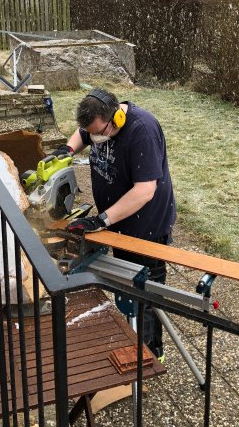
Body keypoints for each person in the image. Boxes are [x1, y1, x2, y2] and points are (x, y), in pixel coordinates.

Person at [54, 88, 176, 361]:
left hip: (146, 227)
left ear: (116, 119)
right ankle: (131, 339)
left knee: (144, 294)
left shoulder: (141, 130)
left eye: (101, 132)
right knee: (126, 284)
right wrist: (67, 149)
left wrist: (101, 219)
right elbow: (85, 133)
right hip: (119, 223)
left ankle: (150, 356)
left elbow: (145, 190)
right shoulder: (99, 120)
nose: (95, 138)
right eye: (92, 132)